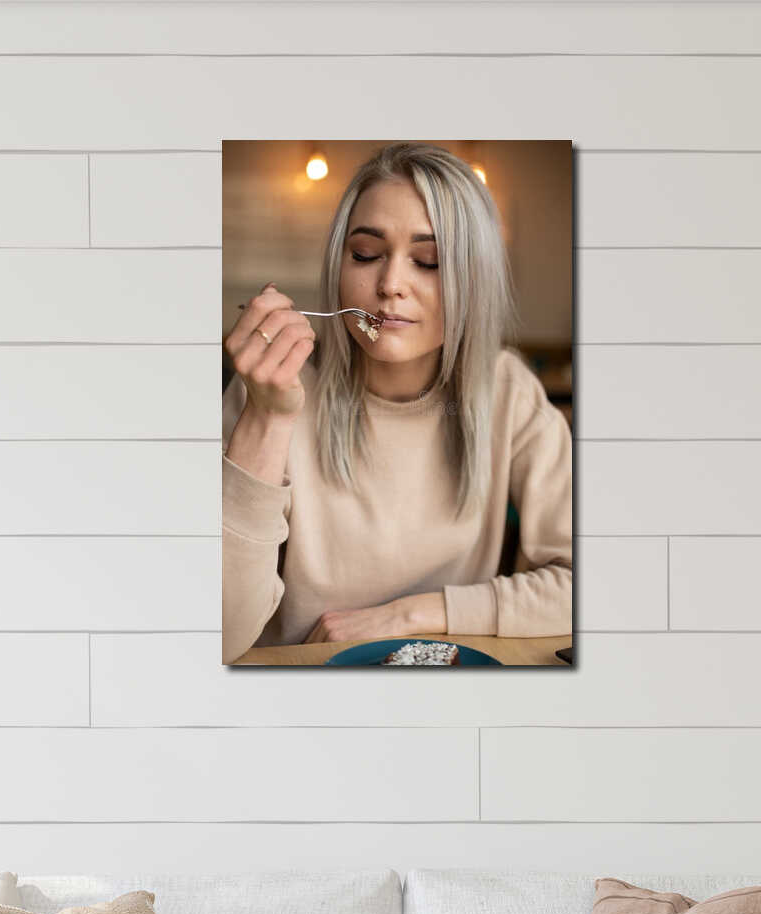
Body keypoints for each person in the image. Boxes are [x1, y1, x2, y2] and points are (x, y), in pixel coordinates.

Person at [221, 141, 573, 664]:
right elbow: (217, 633)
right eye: (366, 255)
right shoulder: (271, 392)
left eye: (428, 261)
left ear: (472, 279)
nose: (390, 285)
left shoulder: (508, 394)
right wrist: (268, 419)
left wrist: (409, 614)